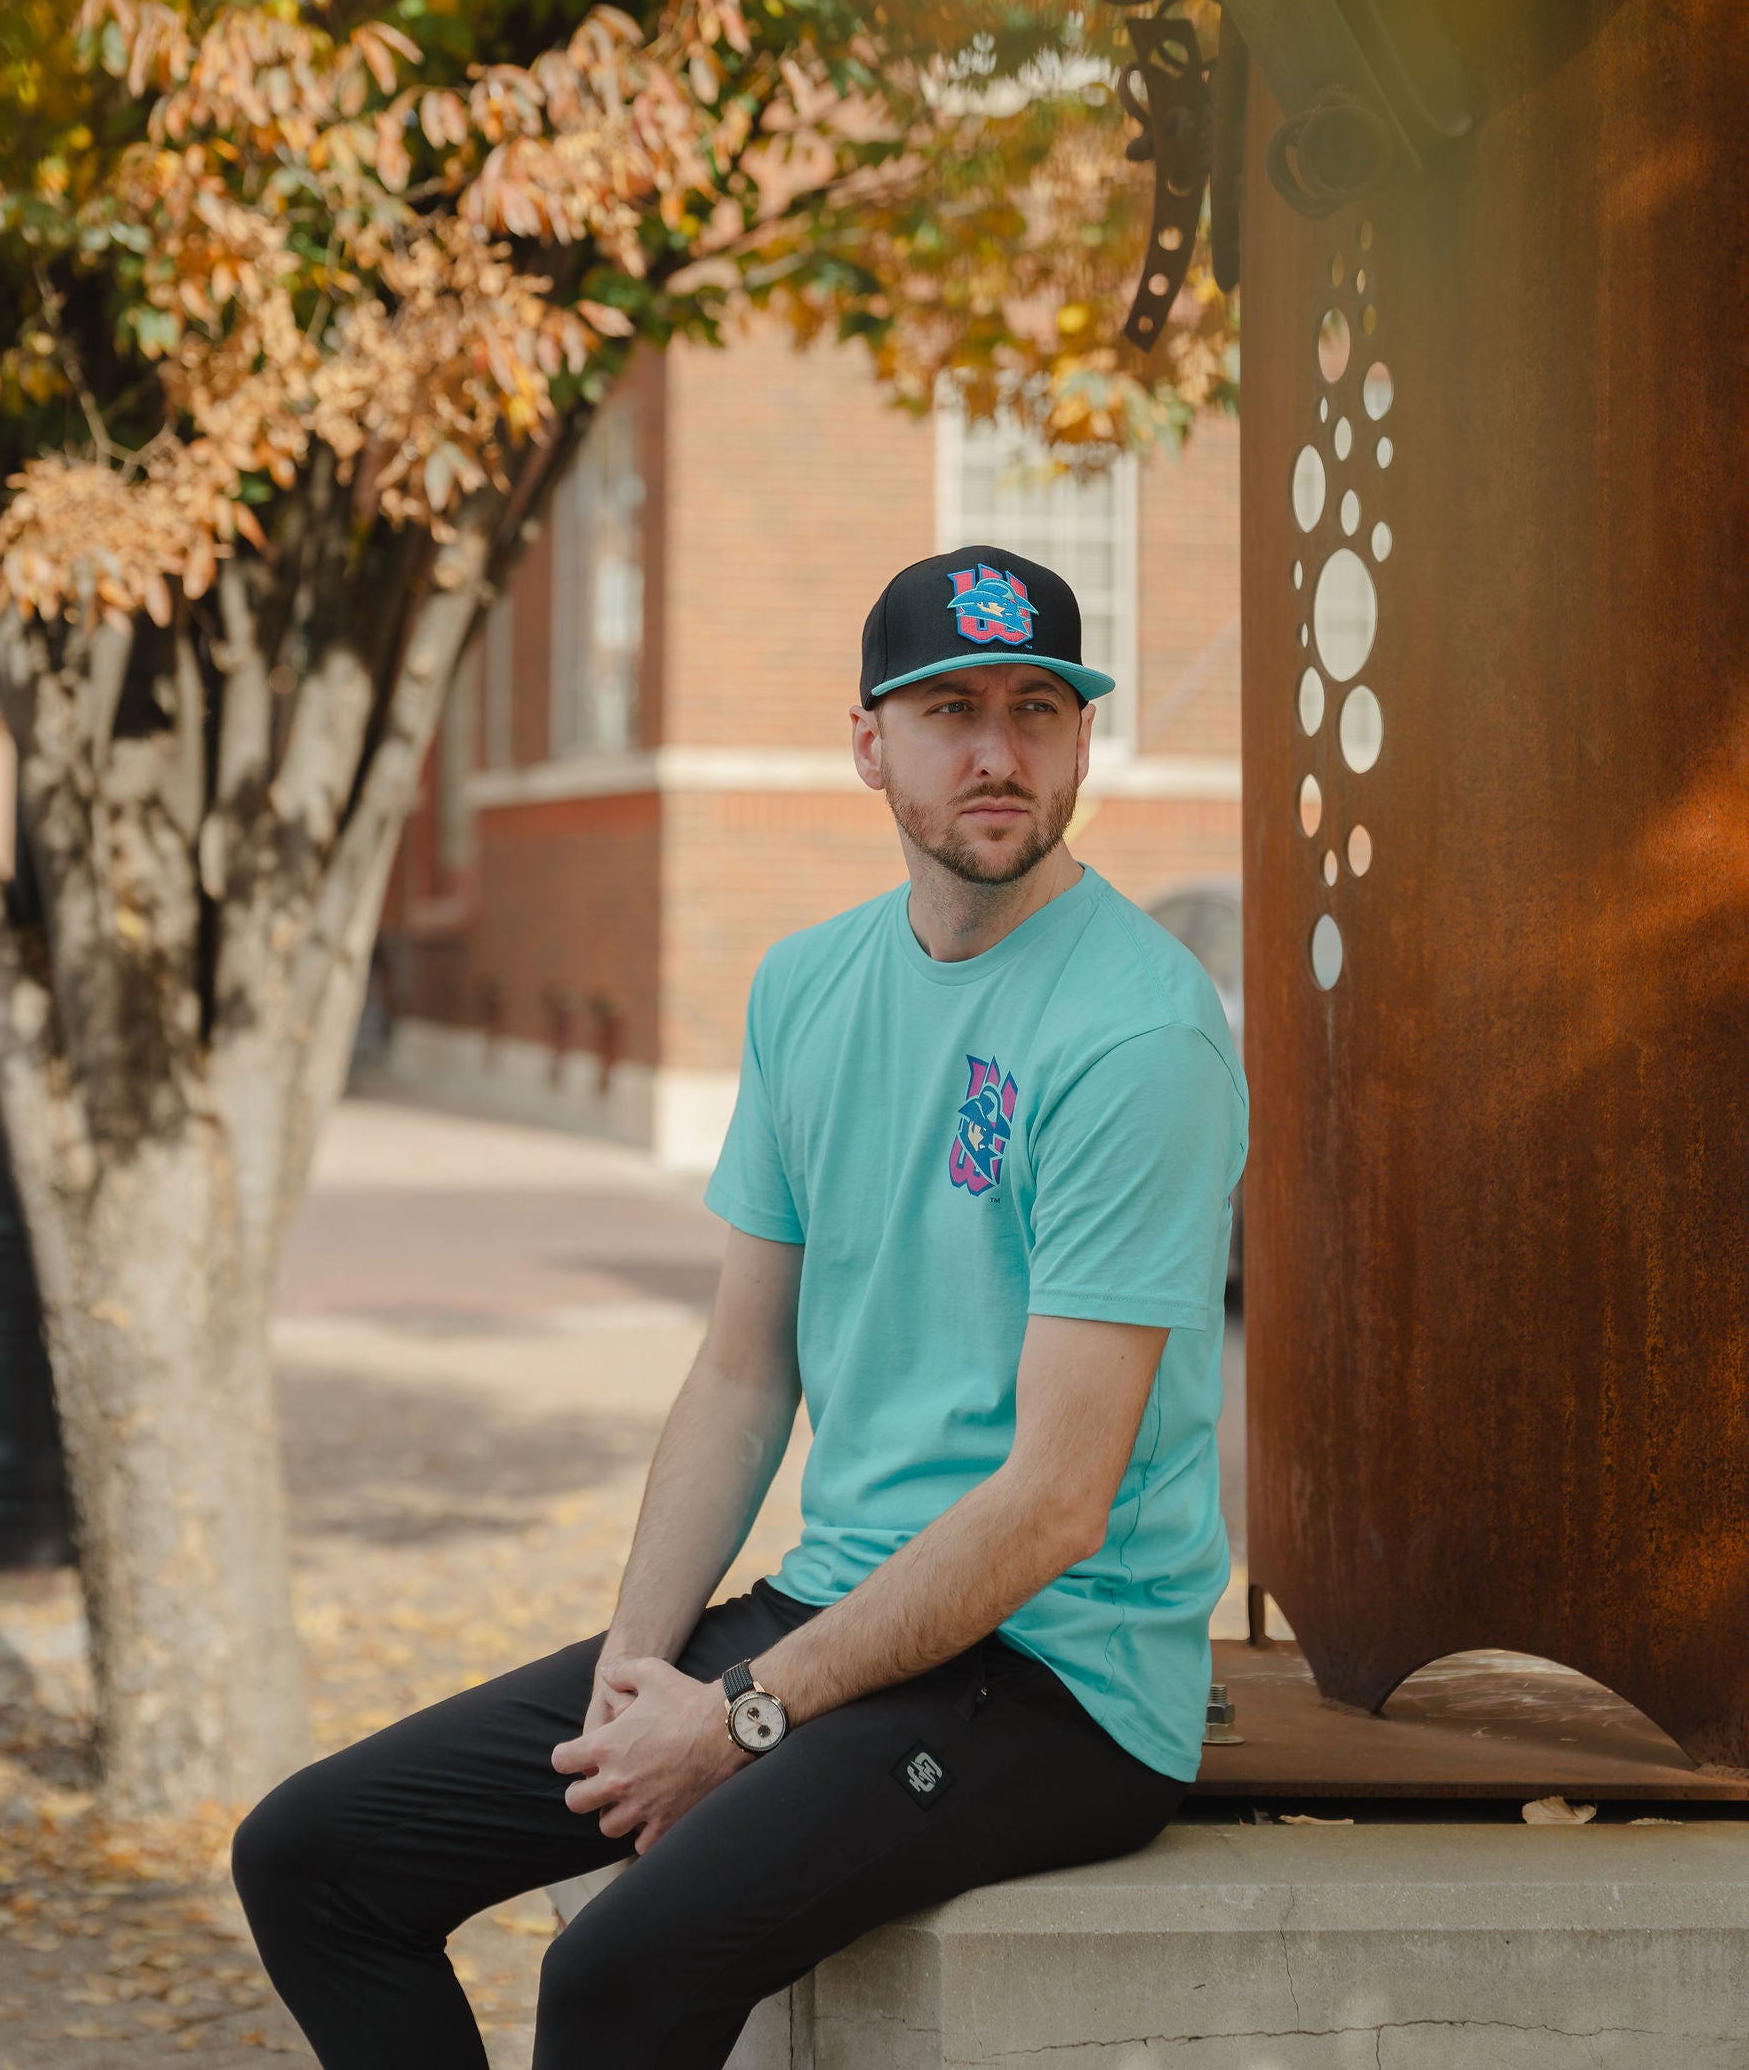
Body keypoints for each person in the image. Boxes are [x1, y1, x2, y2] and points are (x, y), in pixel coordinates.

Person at [232, 543, 1248, 2070]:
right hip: (837, 1613)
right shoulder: (806, 990)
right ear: (868, 745)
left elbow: (1053, 1508)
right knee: (315, 1858)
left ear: (1084, 741)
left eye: (1041, 710)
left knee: (615, 1983)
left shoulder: (1136, 1036)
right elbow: (738, 1376)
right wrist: (633, 1687)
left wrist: (739, 1721)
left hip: (1056, 1684)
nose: (997, 752)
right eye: (950, 709)